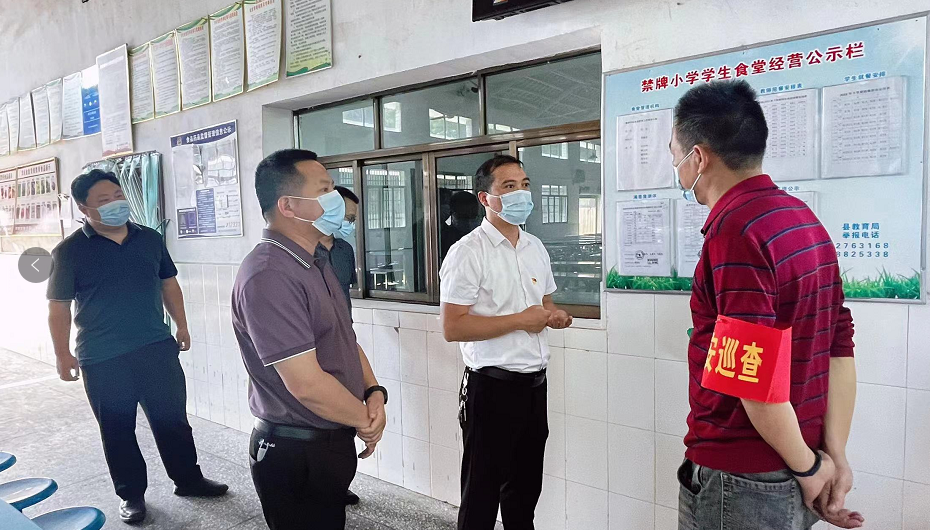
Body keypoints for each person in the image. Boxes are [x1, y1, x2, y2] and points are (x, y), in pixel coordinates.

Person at [671, 81, 864, 530]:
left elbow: (749, 378)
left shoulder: (735, 230)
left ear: (698, 157)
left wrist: (810, 468)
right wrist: (832, 456)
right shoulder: (801, 217)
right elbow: (838, 345)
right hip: (799, 459)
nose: (675, 167)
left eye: (674, 154)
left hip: (744, 477)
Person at [46, 169, 228, 525]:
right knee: (117, 429)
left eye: (117, 195)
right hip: (103, 356)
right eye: (104, 200)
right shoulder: (69, 251)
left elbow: (168, 284)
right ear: (84, 208)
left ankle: (188, 479)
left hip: (155, 346)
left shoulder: (149, 238)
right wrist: (62, 353)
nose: (115, 203)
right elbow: (58, 307)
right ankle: (131, 495)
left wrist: (182, 324)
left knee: (172, 421)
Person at [232, 149, 387, 530]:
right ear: (288, 205)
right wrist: (365, 420)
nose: (336, 200)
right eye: (324, 190)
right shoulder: (269, 274)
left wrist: (374, 393)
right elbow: (306, 384)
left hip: (330, 438)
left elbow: (345, 339)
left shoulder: (316, 262)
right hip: (295, 450)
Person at [440, 155, 573, 530]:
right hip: (491, 387)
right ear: (485, 198)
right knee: (481, 495)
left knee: (524, 491)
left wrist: (554, 315)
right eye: (509, 186)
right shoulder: (468, 252)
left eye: (525, 185)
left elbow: (545, 304)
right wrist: (520, 320)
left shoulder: (535, 247)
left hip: (534, 386)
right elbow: (453, 327)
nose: (521, 194)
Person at [313, 184, 362, 505]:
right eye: (344, 216)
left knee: (344, 413)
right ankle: (316, 481)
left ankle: (338, 480)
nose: (348, 223)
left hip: (344, 339)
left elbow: (345, 292)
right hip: (312, 343)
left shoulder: (344, 250)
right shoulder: (303, 251)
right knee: (319, 412)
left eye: (353, 219)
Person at [440, 190, 483, 260]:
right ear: (452, 211)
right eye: (464, 213)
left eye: (473, 213)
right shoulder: (447, 236)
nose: (469, 214)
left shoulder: (483, 235)